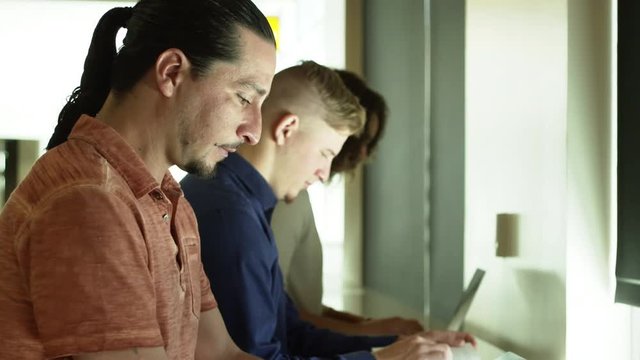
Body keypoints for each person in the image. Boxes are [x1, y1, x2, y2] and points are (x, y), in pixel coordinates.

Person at [0, 1, 276, 359]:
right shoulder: (89, 201)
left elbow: (220, 352)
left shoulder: (167, 198)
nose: (254, 131)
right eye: (243, 97)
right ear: (171, 71)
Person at [181, 61, 475, 360]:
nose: (324, 173)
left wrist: (403, 345)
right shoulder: (233, 219)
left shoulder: (245, 205)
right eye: (326, 153)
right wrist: (382, 359)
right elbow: (263, 355)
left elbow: (292, 334)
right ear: (287, 129)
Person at [271, 70, 424, 337]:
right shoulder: (286, 198)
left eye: (370, 143)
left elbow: (302, 305)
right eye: (359, 138)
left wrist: (365, 324)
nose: (363, 153)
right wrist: (373, 332)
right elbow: (279, 315)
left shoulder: (297, 196)